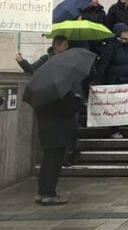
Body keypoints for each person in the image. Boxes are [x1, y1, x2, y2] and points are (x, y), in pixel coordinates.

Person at [17, 36, 80, 167]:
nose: (66, 47)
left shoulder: (68, 60)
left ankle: (69, 155)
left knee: (72, 127)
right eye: (64, 45)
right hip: (53, 101)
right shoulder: (46, 59)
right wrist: (21, 62)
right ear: (56, 46)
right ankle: (61, 157)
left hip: (68, 98)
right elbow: (31, 68)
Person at [32, 76, 82, 205]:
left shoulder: (40, 91)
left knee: (47, 161)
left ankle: (41, 192)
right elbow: (68, 108)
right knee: (54, 163)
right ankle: (50, 194)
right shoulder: (61, 91)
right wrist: (77, 99)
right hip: (58, 131)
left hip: (45, 129)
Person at [96, 23, 128, 139]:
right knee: (114, 107)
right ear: (119, 33)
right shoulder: (111, 47)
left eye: (127, 31)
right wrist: (98, 81)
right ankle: (114, 129)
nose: (127, 33)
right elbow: (104, 64)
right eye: (125, 31)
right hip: (115, 81)